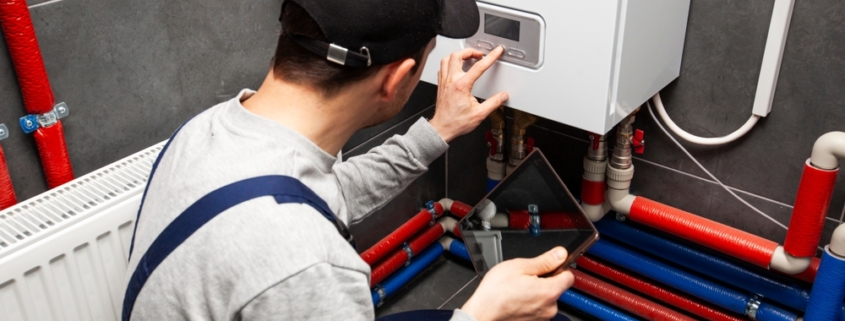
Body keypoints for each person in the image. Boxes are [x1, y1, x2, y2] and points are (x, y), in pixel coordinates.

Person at [123, 0, 574, 320]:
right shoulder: (309, 265)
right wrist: (485, 313)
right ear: (397, 79)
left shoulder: (209, 130)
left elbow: (321, 193)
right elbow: (298, 253)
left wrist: (438, 130)